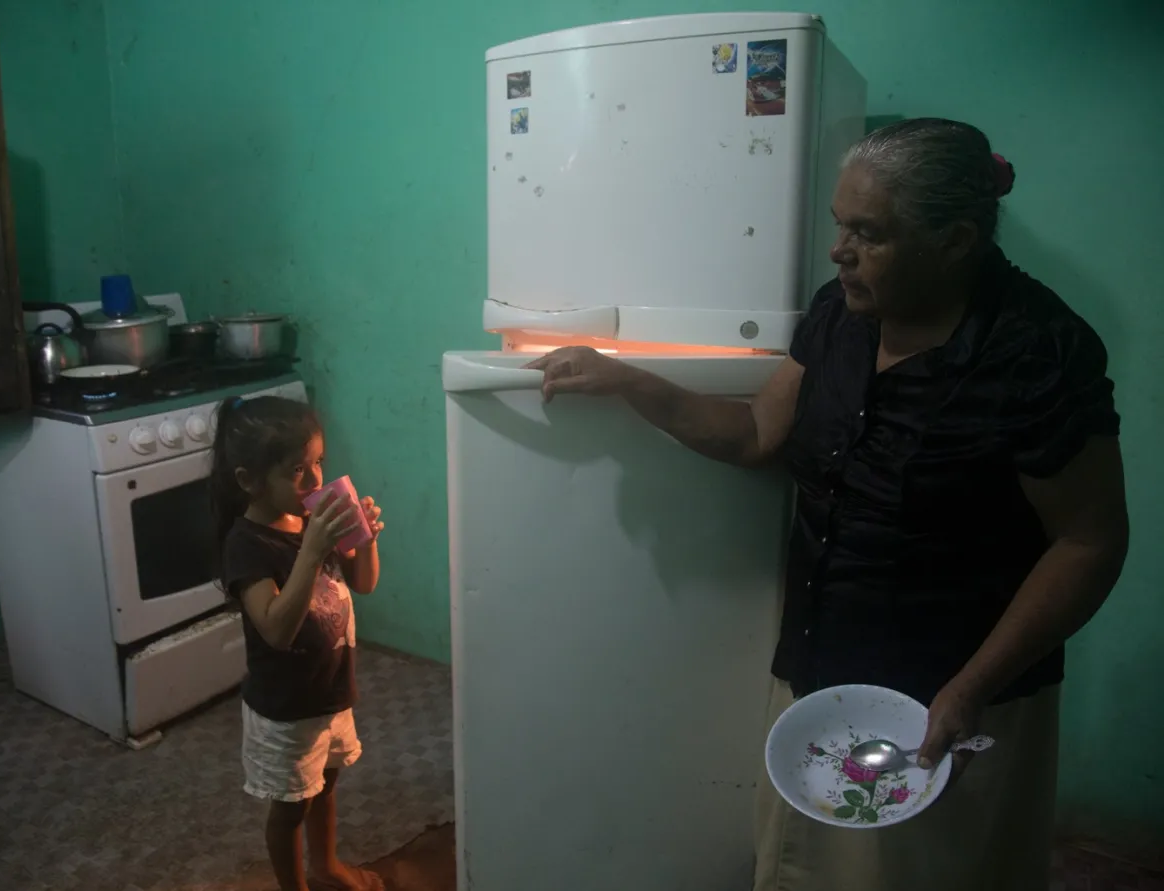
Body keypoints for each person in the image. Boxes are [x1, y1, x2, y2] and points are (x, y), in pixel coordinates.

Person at [527, 118, 1129, 890]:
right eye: (840, 226)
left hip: (951, 692)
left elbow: (1089, 542)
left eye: (868, 233)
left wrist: (970, 685)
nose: (839, 250)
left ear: (956, 239)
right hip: (822, 662)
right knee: (806, 865)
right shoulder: (840, 312)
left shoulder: (1039, 350)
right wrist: (628, 379)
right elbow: (753, 431)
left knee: (930, 869)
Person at [211, 395, 386, 891]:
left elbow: (364, 583)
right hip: (284, 710)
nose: (315, 482)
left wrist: (365, 540)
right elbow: (275, 628)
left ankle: (326, 865)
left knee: (326, 787)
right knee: (290, 808)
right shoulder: (247, 544)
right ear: (250, 481)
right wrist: (310, 552)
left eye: (318, 464)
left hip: (330, 693)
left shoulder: (311, 519)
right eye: (297, 471)